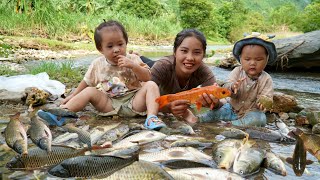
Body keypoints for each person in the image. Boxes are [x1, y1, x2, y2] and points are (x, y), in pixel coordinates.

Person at [38, 20, 166, 130]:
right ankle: (61, 114)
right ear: (100, 49)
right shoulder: (97, 64)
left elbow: (147, 77)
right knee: (89, 91)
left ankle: (151, 118)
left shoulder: (133, 59)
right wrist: (72, 96)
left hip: (133, 102)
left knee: (151, 85)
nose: (116, 49)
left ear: (126, 43)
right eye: (110, 46)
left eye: (120, 44)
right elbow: (86, 83)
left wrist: (133, 66)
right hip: (109, 103)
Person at [197, 32, 277, 127]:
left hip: (251, 113)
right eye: (247, 59)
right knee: (216, 112)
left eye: (258, 59)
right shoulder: (237, 71)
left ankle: (233, 124)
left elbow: (266, 97)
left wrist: (263, 103)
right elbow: (225, 88)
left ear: (267, 59)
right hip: (231, 109)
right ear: (240, 59)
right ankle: (199, 119)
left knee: (260, 119)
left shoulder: (266, 79)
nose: (252, 63)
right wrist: (233, 86)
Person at [149, 29, 221, 124]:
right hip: (152, 67)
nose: (190, 58)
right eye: (184, 51)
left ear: (203, 55)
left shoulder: (204, 71)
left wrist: (214, 103)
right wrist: (168, 108)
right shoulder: (162, 66)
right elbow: (142, 96)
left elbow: (221, 102)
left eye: (197, 52)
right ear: (175, 52)